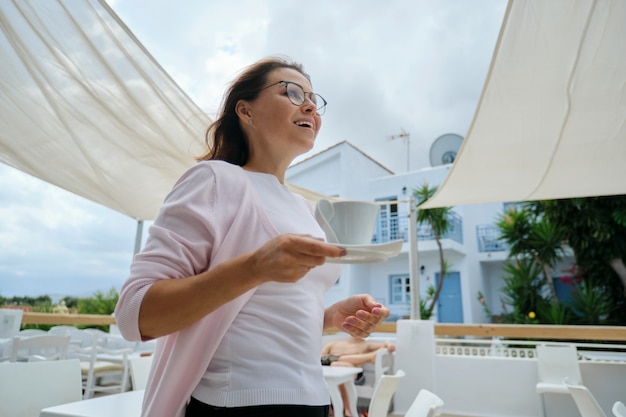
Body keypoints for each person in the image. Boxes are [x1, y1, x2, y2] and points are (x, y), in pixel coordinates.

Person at [114, 56, 390, 417]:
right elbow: (134, 314)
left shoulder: (304, 209)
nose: (309, 104)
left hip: (313, 400)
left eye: (313, 98)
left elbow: (263, 313)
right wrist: (254, 268)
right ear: (246, 112)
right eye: (291, 92)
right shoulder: (215, 180)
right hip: (240, 401)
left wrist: (329, 316)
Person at [321, 337, 396, 416]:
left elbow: (387, 345)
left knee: (336, 366)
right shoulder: (333, 343)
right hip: (332, 374)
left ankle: (345, 408)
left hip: (354, 375)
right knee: (336, 367)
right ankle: (369, 357)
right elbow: (322, 358)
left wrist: (389, 345)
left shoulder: (366, 344)